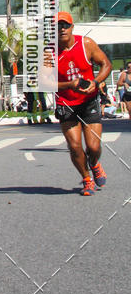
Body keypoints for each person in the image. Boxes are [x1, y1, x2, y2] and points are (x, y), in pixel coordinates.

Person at [54, 12, 112, 196]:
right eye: (58, 26)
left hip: (88, 100)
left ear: (72, 27)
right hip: (66, 103)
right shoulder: (49, 53)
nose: (62, 28)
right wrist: (69, 85)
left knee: (93, 147)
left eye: (65, 25)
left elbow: (106, 64)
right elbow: (45, 82)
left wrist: (95, 82)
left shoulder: (86, 44)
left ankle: (94, 164)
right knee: (75, 146)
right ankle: (87, 179)